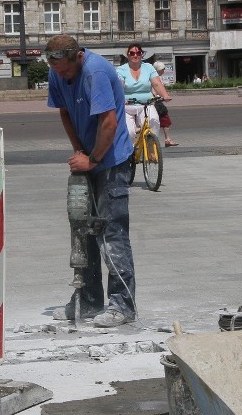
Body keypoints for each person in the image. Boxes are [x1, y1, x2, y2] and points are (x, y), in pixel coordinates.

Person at [45, 35, 137, 328]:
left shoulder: (95, 71)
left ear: (78, 57)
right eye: (57, 71)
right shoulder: (56, 69)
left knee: (111, 234)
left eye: (66, 71)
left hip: (112, 161)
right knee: (83, 232)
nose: (62, 76)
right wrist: (79, 151)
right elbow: (64, 111)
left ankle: (123, 305)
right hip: (90, 157)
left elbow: (109, 122)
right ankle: (88, 298)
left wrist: (93, 159)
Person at [116, 43, 171, 140]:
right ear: (128, 55)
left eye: (138, 53)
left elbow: (157, 83)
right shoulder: (121, 69)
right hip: (127, 106)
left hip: (146, 104)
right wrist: (120, 99)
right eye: (132, 53)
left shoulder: (148, 67)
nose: (135, 55)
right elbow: (119, 86)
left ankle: (151, 153)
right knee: (129, 132)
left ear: (142, 54)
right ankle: (130, 153)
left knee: (154, 125)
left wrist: (165, 95)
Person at [152, 61, 178, 147]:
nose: (164, 71)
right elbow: (153, 91)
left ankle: (167, 139)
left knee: (163, 120)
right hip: (155, 103)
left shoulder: (157, 77)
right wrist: (160, 97)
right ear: (158, 70)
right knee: (164, 119)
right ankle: (167, 140)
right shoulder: (154, 78)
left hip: (156, 102)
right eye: (162, 69)